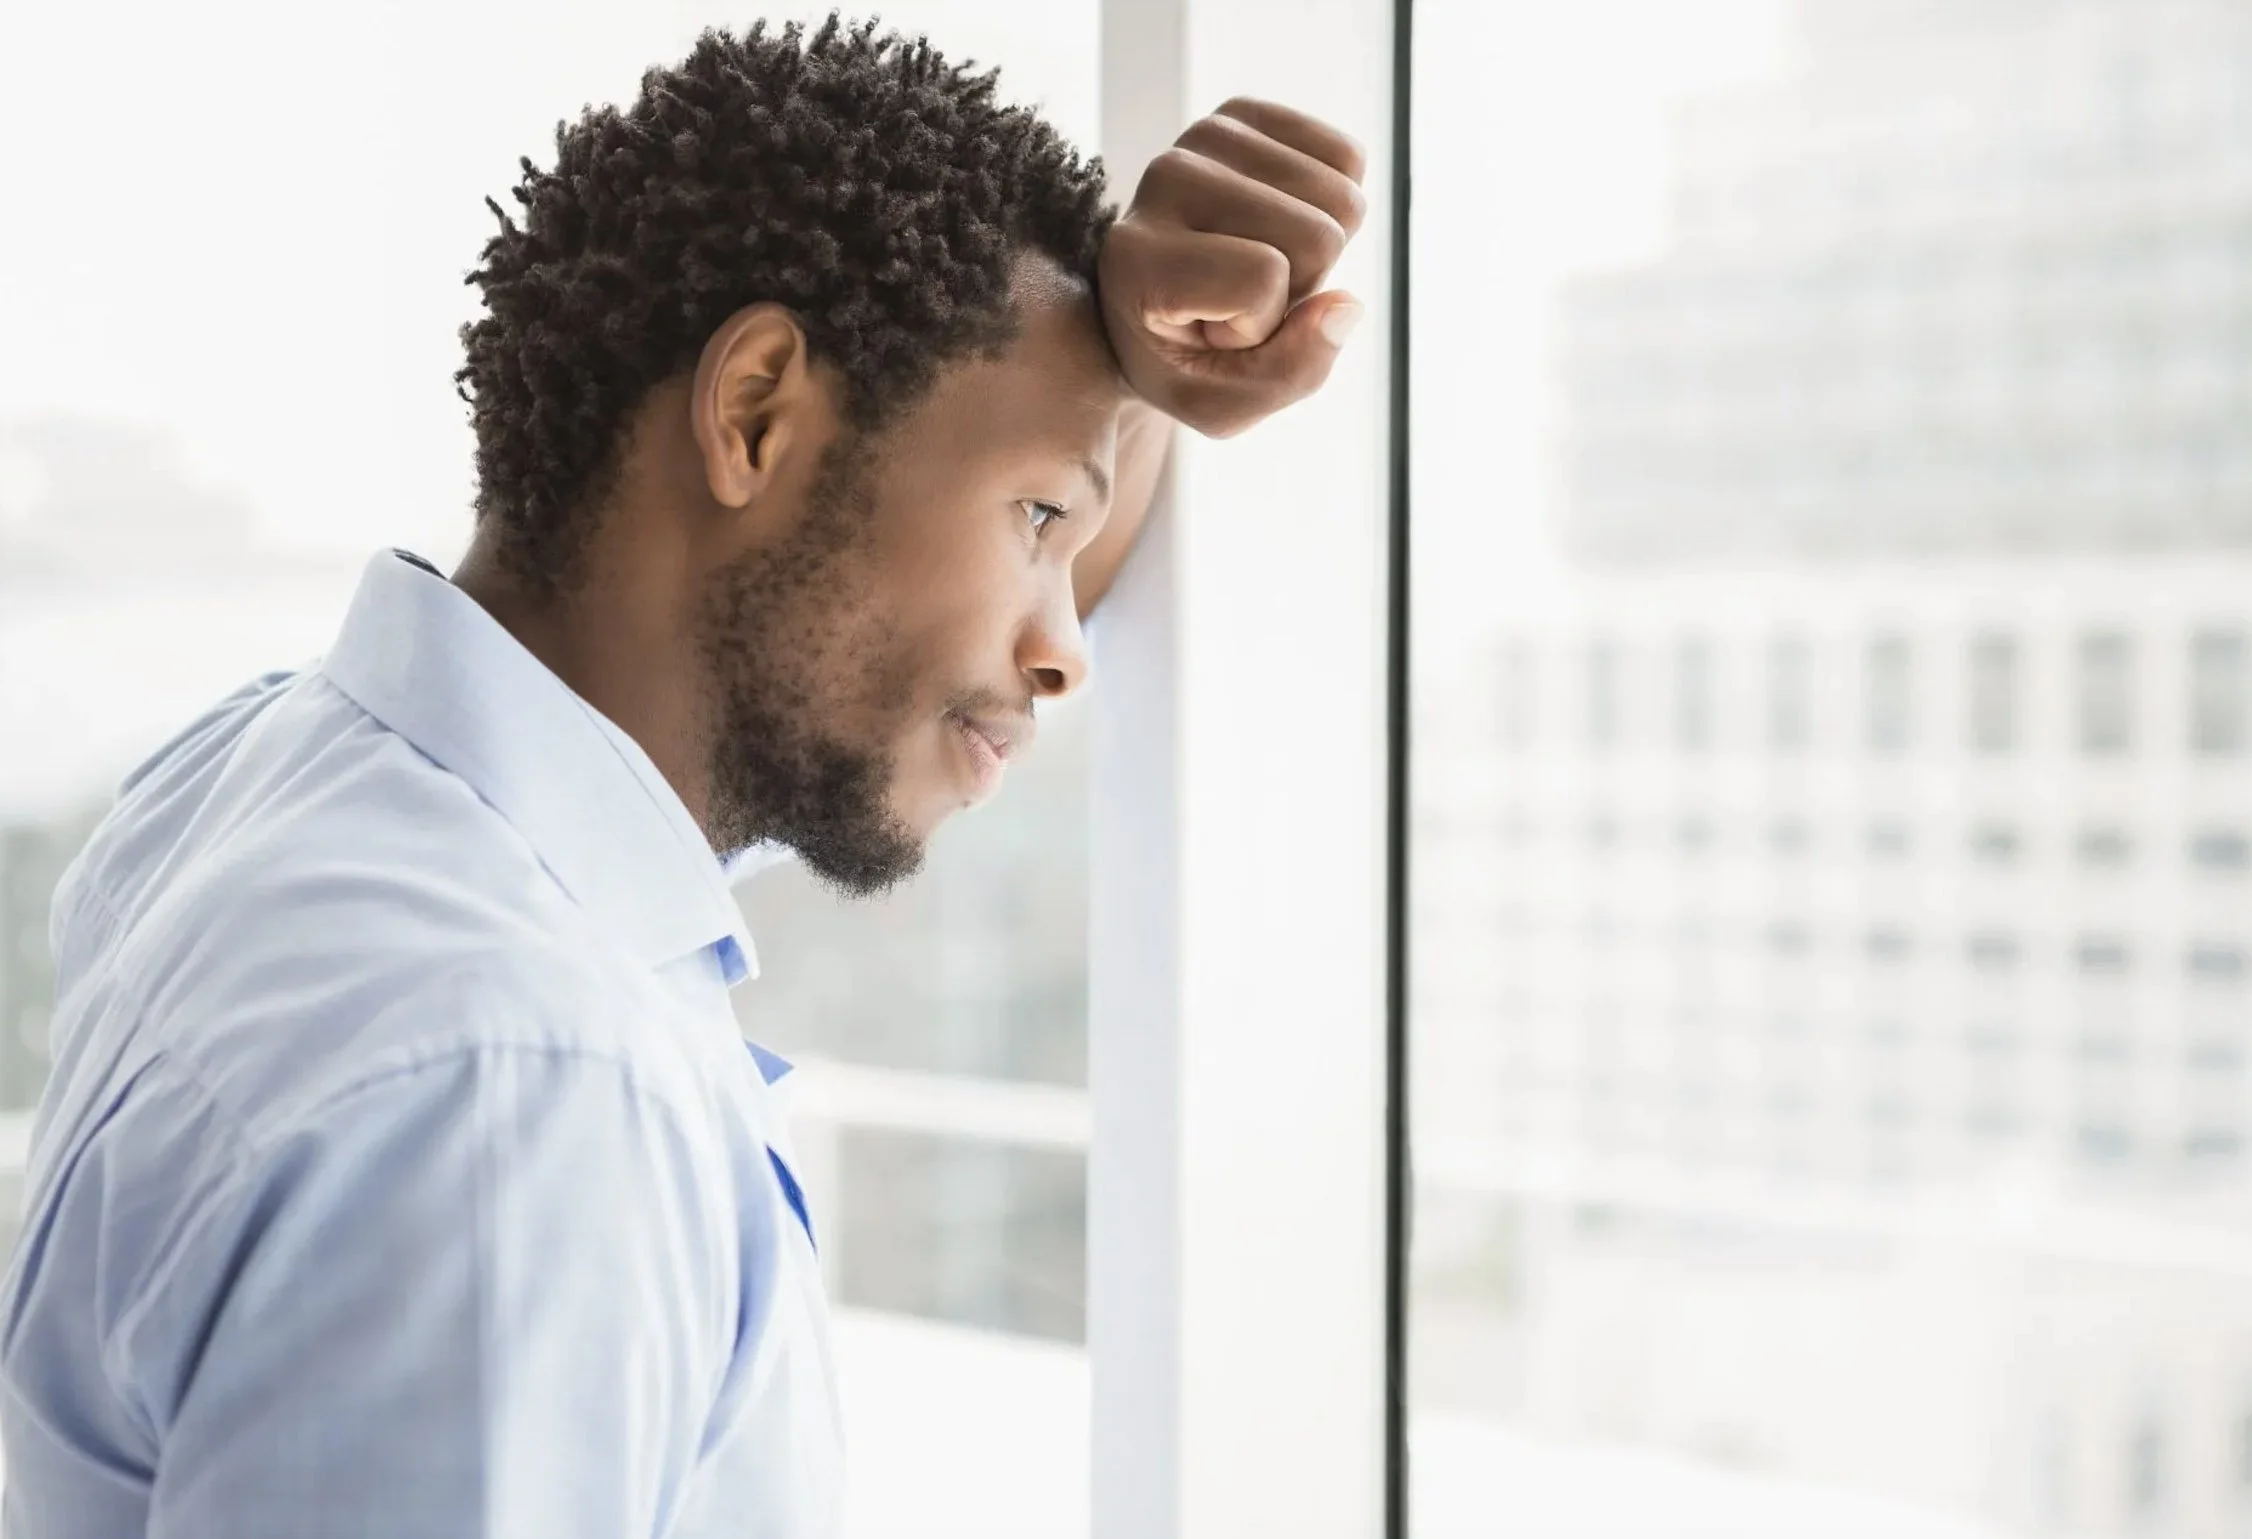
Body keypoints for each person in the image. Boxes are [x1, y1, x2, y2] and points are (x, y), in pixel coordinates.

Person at [0, 16, 1365, 1538]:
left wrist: (1121, 378)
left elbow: (972, 619)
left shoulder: (278, 781)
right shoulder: (514, 1088)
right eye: (1038, 515)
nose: (1066, 651)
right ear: (757, 412)